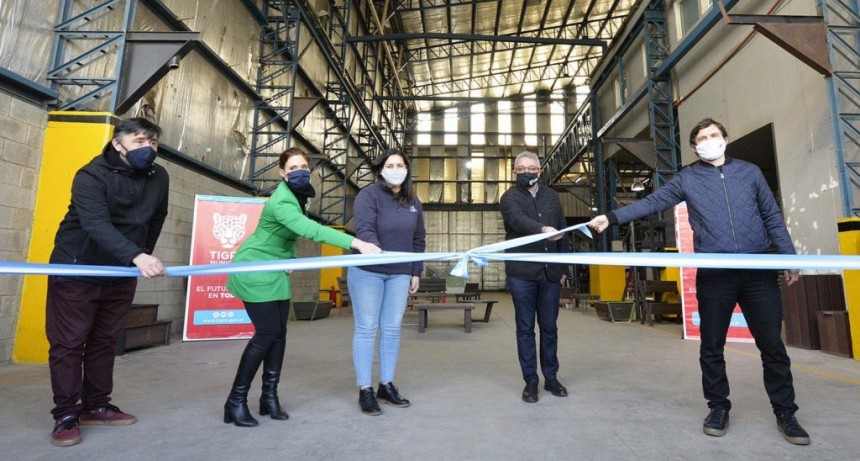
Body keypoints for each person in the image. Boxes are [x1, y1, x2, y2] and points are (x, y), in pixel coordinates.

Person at [587, 118, 809, 445]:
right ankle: (718, 407)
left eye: (714, 135)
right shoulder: (687, 179)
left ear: (725, 138)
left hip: (758, 270)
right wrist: (613, 216)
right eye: (701, 138)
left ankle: (786, 413)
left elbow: (772, 215)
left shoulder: (749, 172)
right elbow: (653, 202)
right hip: (715, 273)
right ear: (694, 147)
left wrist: (786, 256)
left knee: (772, 346)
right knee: (711, 346)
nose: (708, 141)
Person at [224, 147, 380, 427]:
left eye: (303, 167)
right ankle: (235, 402)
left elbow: (287, 236)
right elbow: (309, 229)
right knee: (266, 333)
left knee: (280, 335)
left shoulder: (298, 198)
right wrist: (356, 243)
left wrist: (289, 258)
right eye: (293, 168)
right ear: (282, 173)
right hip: (255, 269)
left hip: (275, 271)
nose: (299, 171)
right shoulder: (283, 201)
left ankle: (268, 398)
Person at [46, 118, 169, 447]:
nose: (148, 149)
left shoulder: (159, 176)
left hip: (121, 271)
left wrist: (140, 255)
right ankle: (66, 414)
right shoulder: (91, 175)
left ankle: (96, 405)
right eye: (140, 142)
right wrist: (137, 257)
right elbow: (95, 223)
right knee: (69, 343)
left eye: (153, 143)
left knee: (104, 341)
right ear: (118, 144)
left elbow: (157, 218)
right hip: (78, 269)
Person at [348, 148, 426, 416]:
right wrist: (376, 250)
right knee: (367, 328)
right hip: (368, 271)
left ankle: (386, 384)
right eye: (390, 165)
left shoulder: (414, 201)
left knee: (392, 329)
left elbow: (418, 240)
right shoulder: (368, 195)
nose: (395, 169)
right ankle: (364, 388)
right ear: (381, 169)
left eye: (400, 164)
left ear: (407, 169)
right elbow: (365, 228)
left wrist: (416, 271)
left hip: (400, 273)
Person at [499, 151, 570, 403]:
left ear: (540, 172)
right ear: (514, 172)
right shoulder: (509, 198)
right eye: (521, 168)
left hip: (550, 272)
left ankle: (551, 377)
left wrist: (563, 268)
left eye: (531, 168)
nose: (526, 171)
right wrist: (541, 230)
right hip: (522, 274)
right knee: (525, 328)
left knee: (549, 328)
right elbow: (517, 221)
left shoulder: (551, 197)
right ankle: (531, 381)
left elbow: (562, 229)